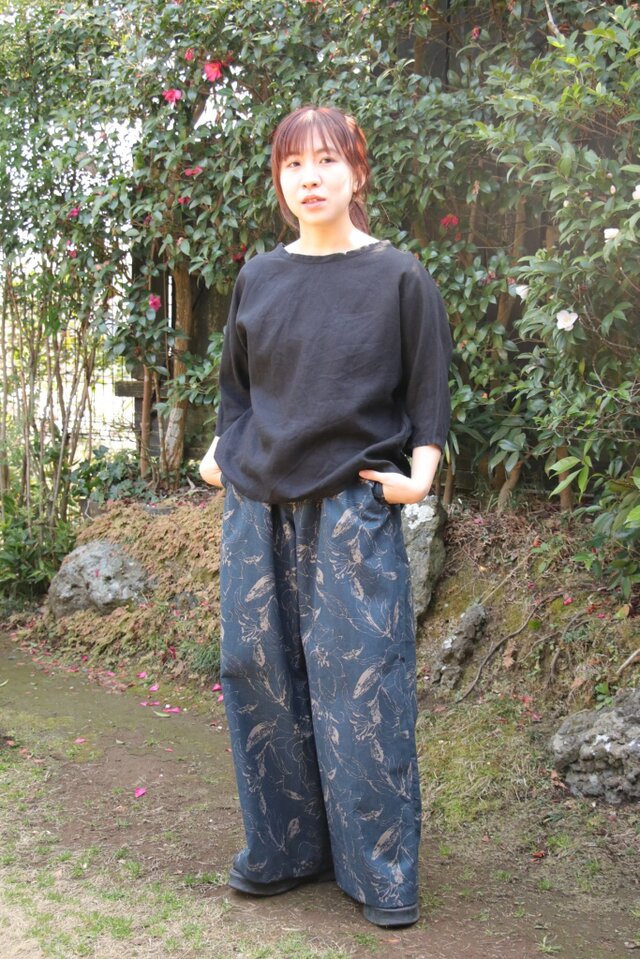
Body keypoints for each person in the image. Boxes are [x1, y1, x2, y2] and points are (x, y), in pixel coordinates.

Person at [200, 104, 452, 928]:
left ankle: (381, 872)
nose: (309, 178)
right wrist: (222, 454)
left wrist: (418, 478)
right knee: (258, 677)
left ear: (357, 172)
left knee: (362, 685)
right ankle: (282, 851)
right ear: (279, 180)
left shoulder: (399, 276)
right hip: (256, 507)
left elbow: (427, 390)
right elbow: (238, 390)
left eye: (326, 161)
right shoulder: (259, 277)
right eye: (293, 165)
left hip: (351, 504)